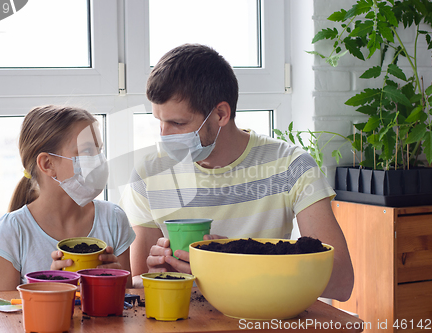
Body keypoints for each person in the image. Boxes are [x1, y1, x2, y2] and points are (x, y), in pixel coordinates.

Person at [119, 44, 354, 301]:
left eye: (177, 123)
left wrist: (238, 261)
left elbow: (341, 281)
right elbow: (136, 285)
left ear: (221, 114)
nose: (163, 136)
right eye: (159, 121)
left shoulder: (291, 166)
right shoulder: (148, 175)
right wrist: (158, 275)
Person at [0, 105, 135, 290]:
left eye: (99, 150)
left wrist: (115, 280)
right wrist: (52, 290)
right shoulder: (11, 232)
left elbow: (129, 307)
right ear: (47, 164)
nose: (98, 161)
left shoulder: (114, 218)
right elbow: (1, 313)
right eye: (87, 151)